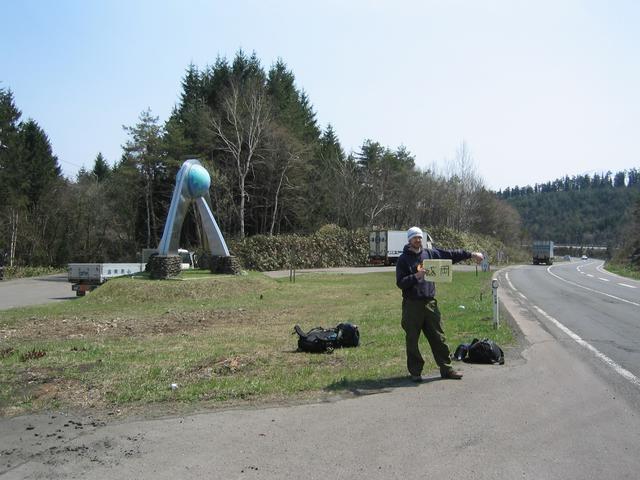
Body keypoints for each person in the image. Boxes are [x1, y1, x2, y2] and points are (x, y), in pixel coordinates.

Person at [396, 227, 483, 382]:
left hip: (430, 303)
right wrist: (416, 276)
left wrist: (471, 254)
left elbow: (450, 255)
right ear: (409, 240)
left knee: (439, 338)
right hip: (412, 305)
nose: (418, 240)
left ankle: (447, 369)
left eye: (420, 237)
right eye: (415, 238)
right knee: (412, 340)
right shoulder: (403, 259)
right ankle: (415, 372)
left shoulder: (429, 254)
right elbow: (400, 283)